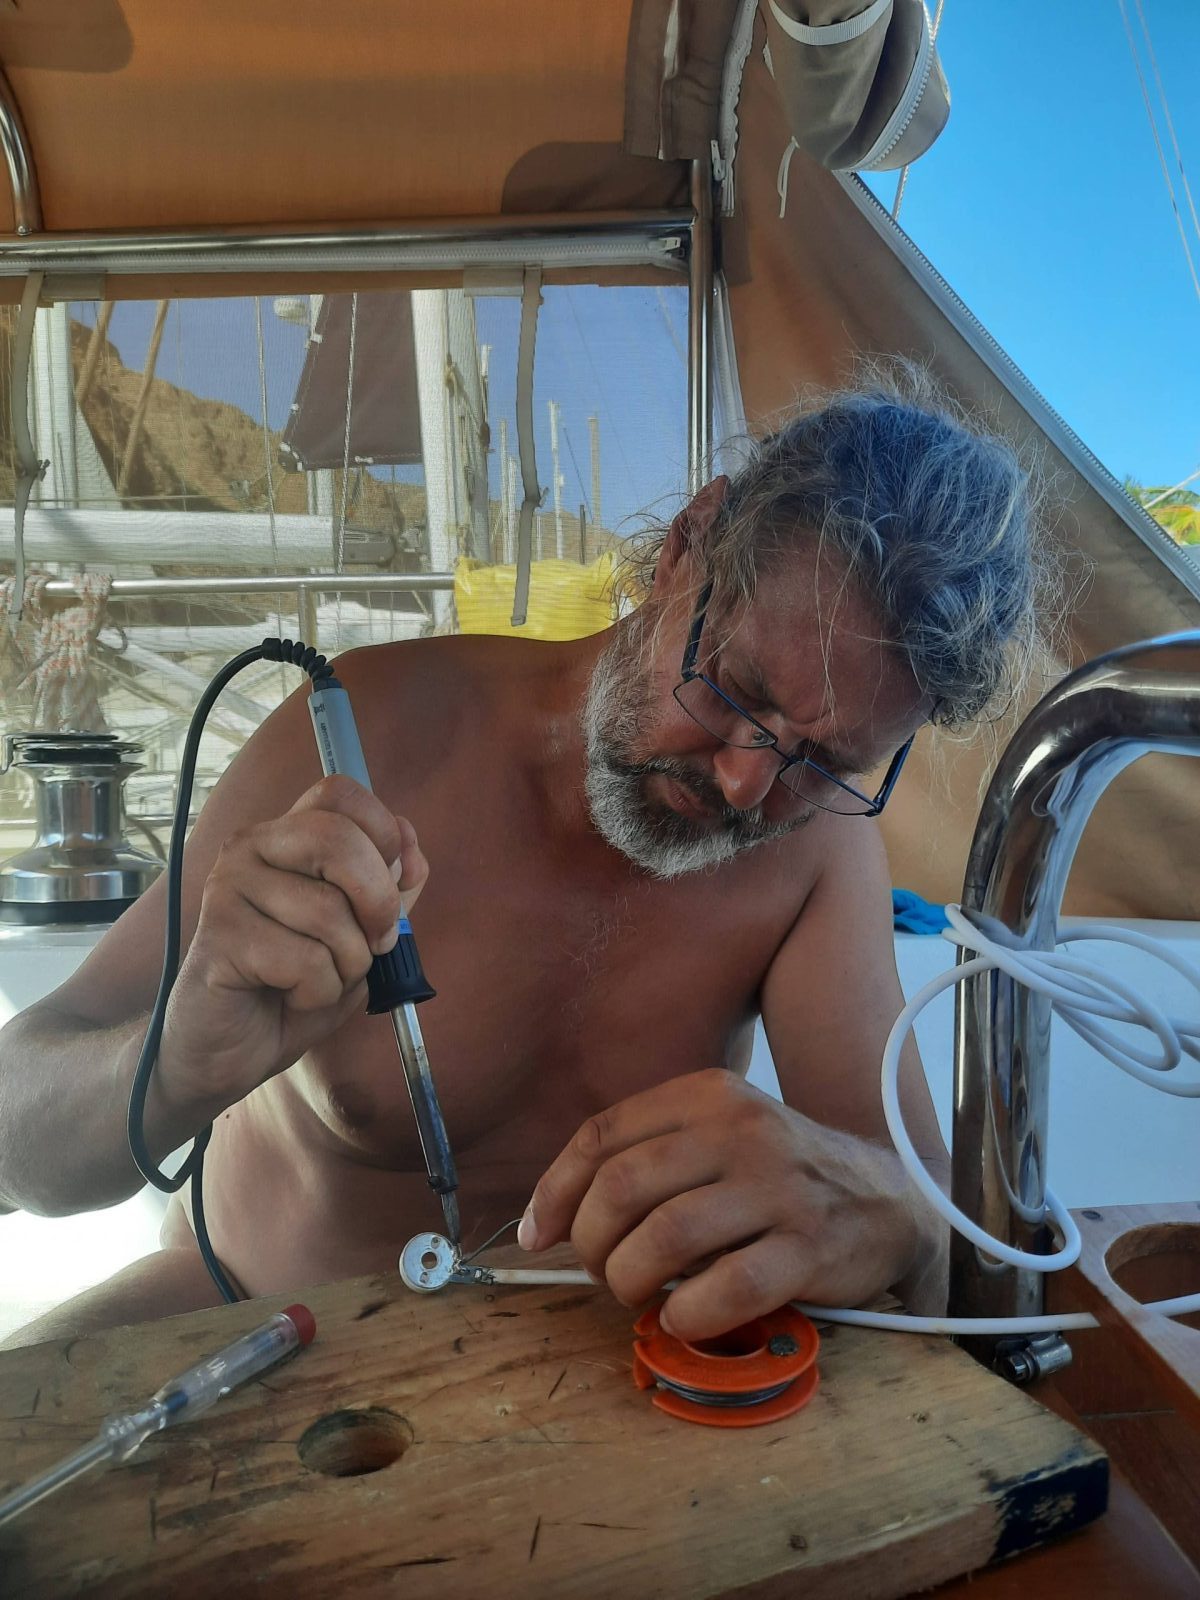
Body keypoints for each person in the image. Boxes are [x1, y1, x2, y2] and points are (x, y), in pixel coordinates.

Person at [0, 372, 1042, 1348]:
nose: (744, 785)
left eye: (822, 761)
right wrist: (174, 1064)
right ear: (687, 544)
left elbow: (932, 1237)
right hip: (254, 1322)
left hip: (597, 1387)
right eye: (736, 689)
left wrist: (888, 1211)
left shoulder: (816, 848)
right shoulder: (367, 733)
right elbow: (17, 1149)